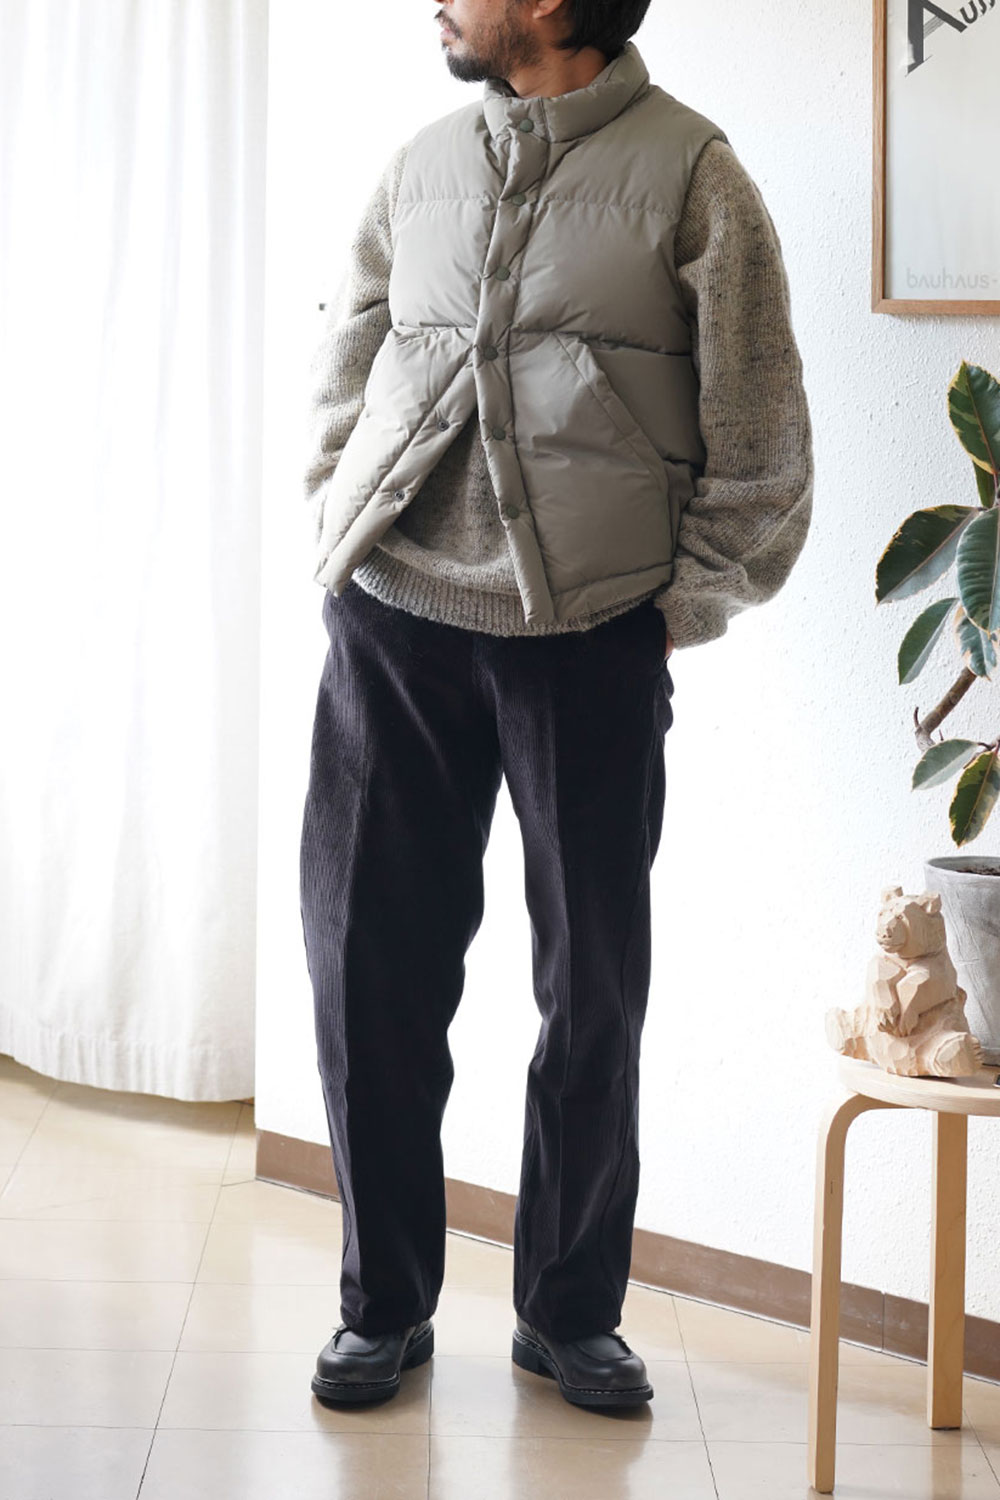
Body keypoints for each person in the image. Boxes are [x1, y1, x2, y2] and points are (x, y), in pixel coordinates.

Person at [299, 0, 814, 1411]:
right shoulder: (421, 163)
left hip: (588, 640)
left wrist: (670, 612)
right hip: (394, 619)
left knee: (592, 990)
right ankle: (382, 1305)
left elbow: (764, 433)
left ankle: (569, 1312)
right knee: (365, 973)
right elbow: (349, 360)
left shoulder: (695, 172)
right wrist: (339, 520)